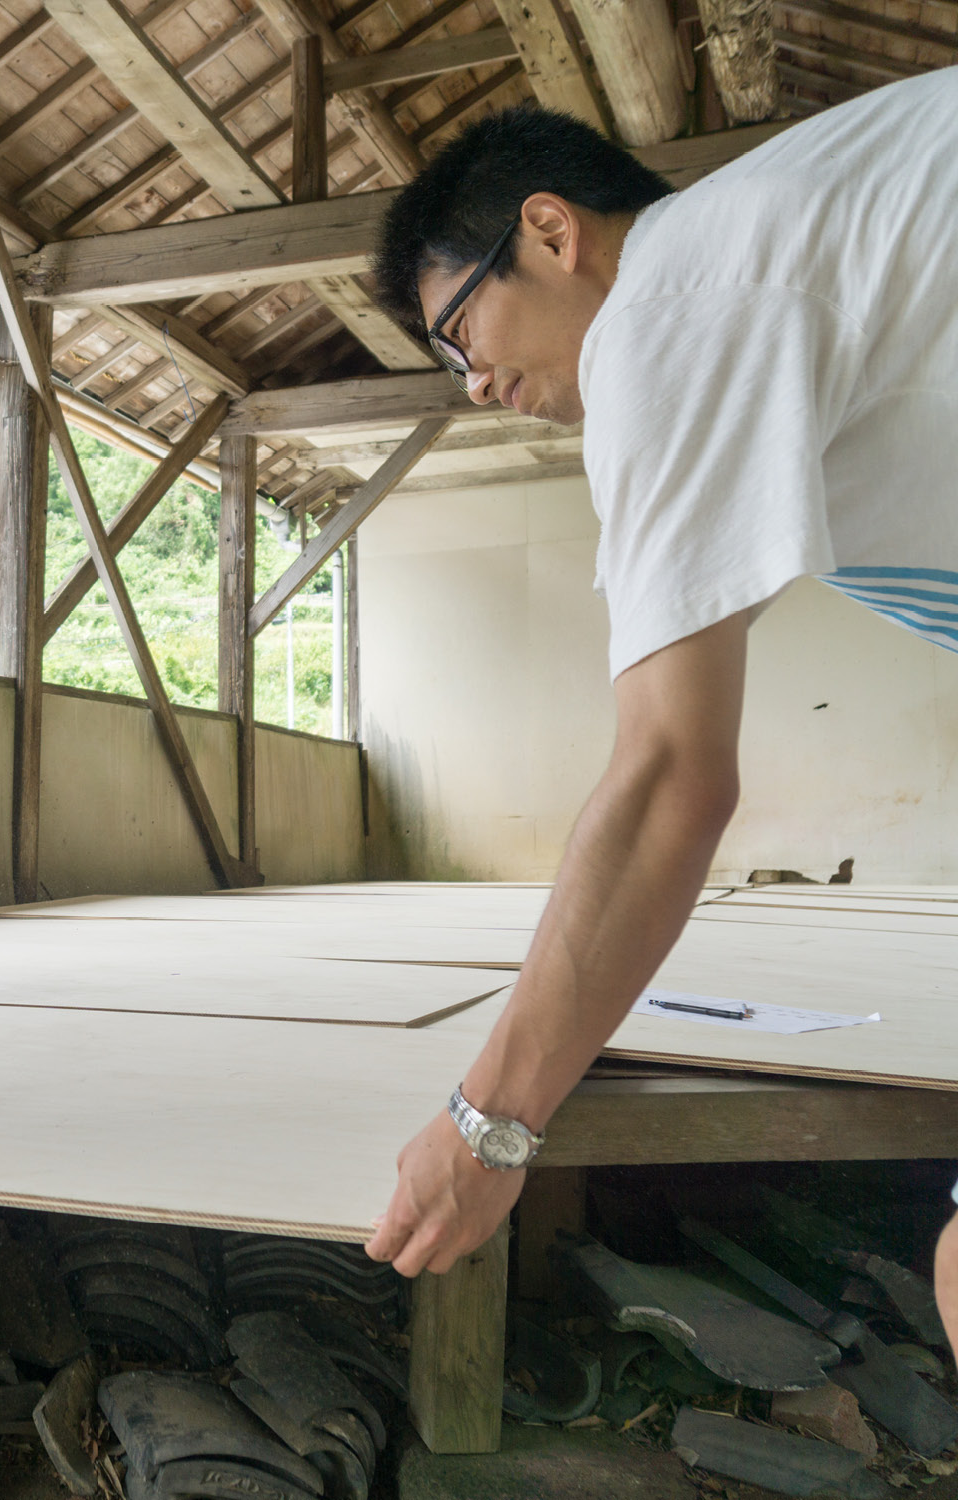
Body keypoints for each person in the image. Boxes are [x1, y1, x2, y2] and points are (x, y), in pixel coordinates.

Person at [358, 71, 958, 1334]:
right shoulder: (806, 242)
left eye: (459, 332)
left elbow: (666, 780)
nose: (467, 382)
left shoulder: (666, 309)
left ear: (550, 232)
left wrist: (487, 1124)